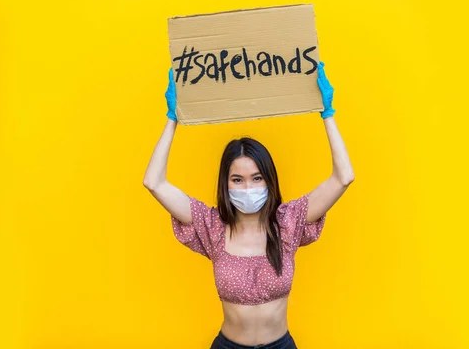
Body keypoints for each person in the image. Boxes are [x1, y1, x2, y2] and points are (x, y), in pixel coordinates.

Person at [143, 61, 354, 349]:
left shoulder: (288, 223)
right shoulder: (211, 226)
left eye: (256, 178)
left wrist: (327, 114)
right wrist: (172, 118)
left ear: (269, 181)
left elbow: (344, 177)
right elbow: (154, 182)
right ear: (225, 184)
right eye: (237, 180)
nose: (248, 188)